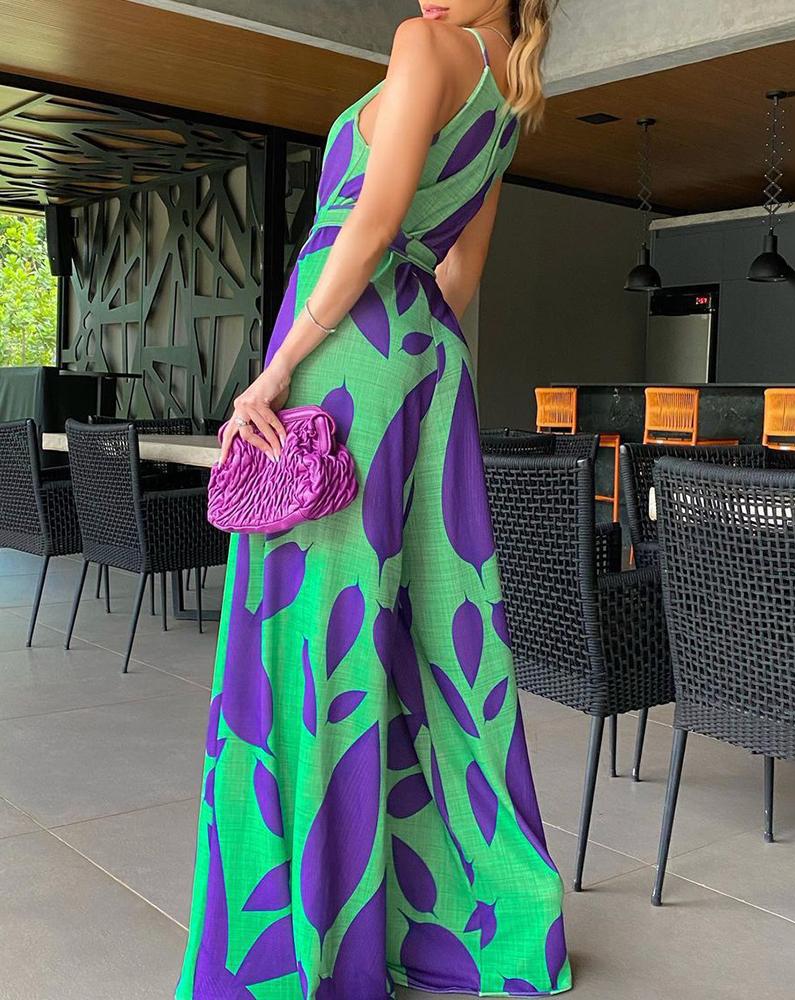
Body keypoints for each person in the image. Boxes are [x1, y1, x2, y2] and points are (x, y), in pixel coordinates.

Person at [174, 1, 571, 997]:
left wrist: (281, 367)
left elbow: (374, 222)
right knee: (427, 638)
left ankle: (291, 941)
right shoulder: (509, 94)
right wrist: (408, 346)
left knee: (310, 640)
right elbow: (459, 271)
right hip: (425, 360)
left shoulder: (424, 44)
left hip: (344, 351)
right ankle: (470, 918)